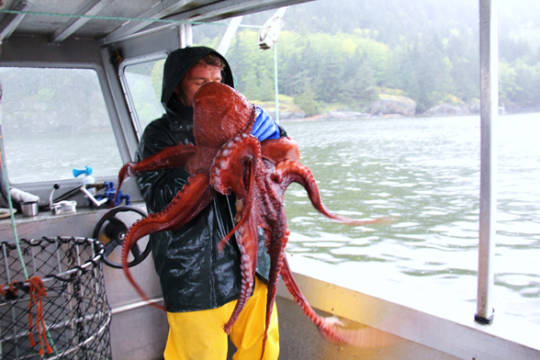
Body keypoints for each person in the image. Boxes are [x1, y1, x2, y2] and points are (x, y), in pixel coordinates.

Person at [135, 46, 284, 360]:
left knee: (262, 350)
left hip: (251, 264)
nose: (213, 89)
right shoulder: (158, 135)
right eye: (200, 83)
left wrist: (274, 136)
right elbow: (158, 200)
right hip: (194, 274)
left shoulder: (242, 120)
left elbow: (277, 169)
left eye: (218, 81)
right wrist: (200, 158)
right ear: (177, 87)